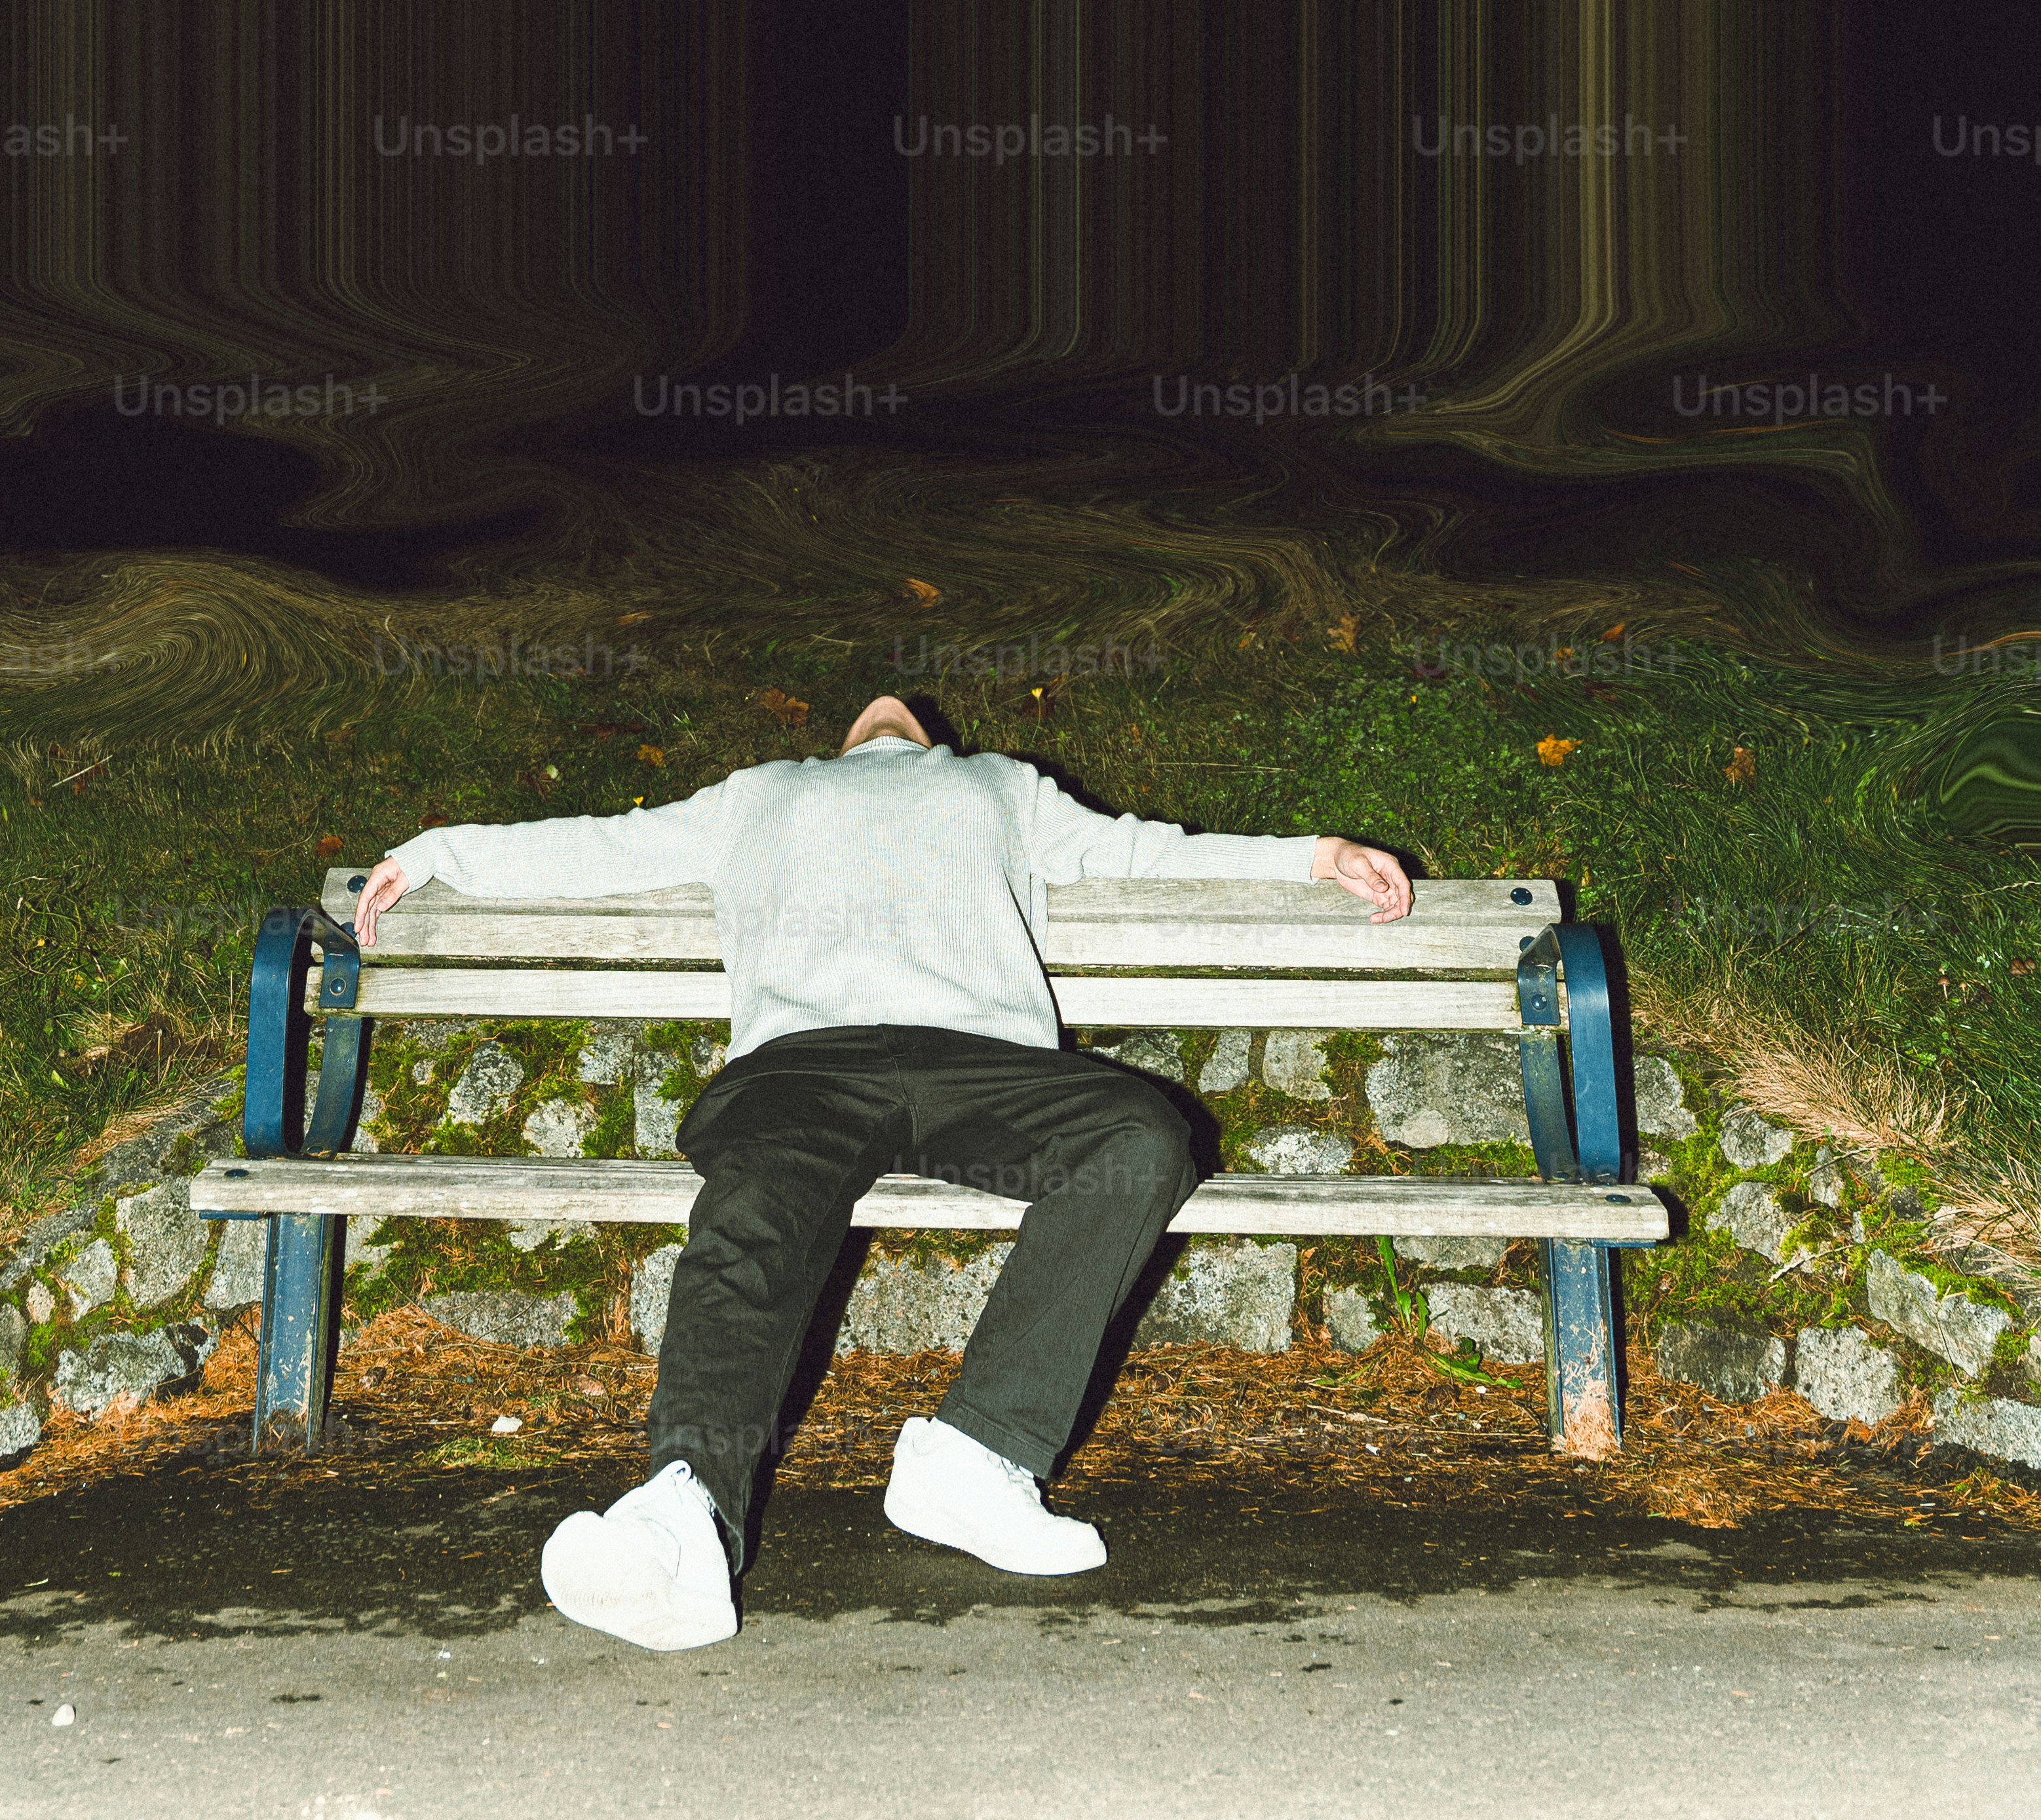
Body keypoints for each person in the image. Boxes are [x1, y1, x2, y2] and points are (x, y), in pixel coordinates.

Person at [351, 691, 1410, 1650]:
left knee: (1140, 1135)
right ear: (843, 739)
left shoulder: (1000, 786)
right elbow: (600, 845)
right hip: (806, 1068)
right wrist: (437, 851)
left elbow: (1149, 851)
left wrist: (1320, 855)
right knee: (755, 1212)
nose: (888, 698)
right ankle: (683, 1512)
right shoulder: (760, 792)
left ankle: (978, 1453)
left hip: (984, 1068)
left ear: (933, 736)